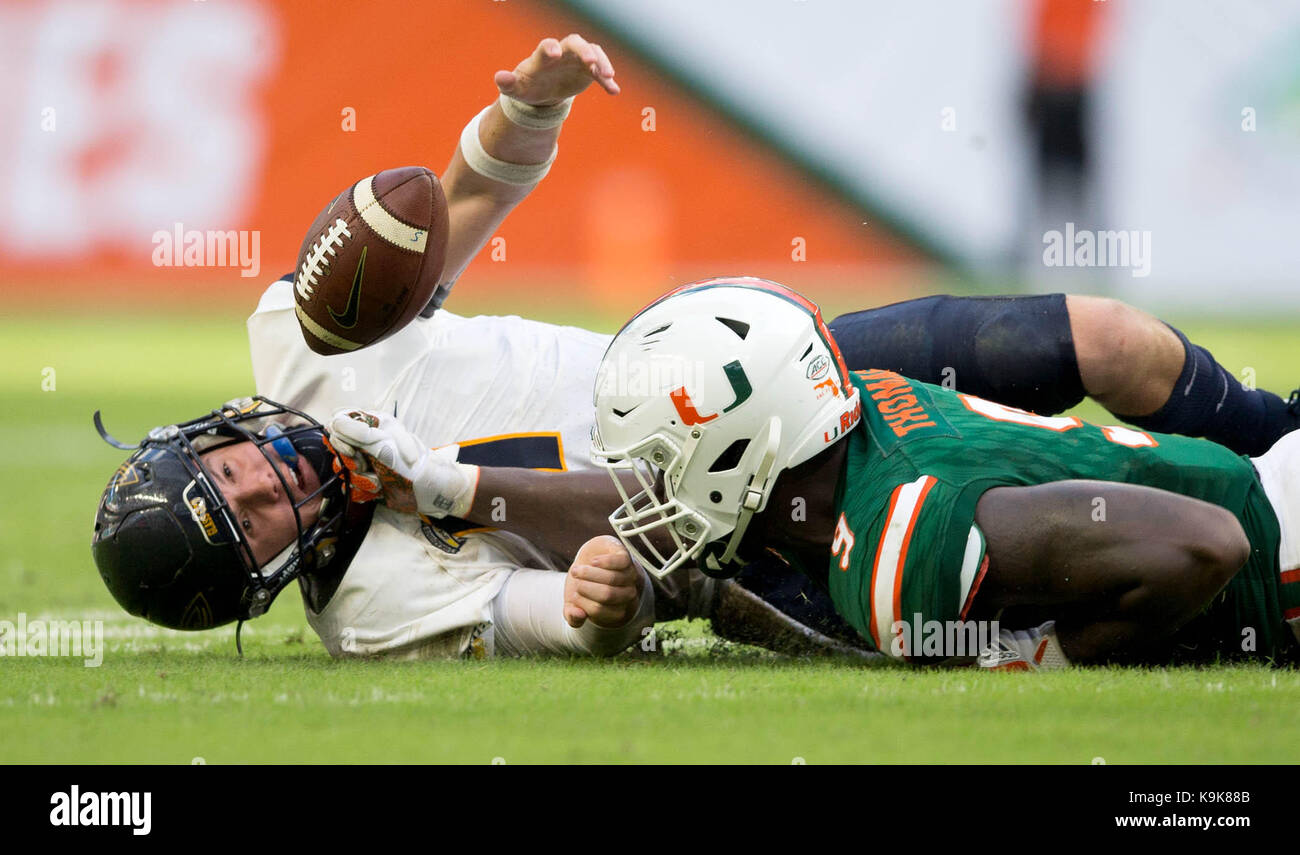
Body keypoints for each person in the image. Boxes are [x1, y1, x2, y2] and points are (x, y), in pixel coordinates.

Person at [93, 36, 1300, 662]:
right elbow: (559, 614)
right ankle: (1239, 594)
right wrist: (600, 609)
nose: (272, 481)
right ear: (258, 578)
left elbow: (445, 211)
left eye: (235, 472)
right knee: (1017, 547)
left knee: (1104, 339)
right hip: (743, 518)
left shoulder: (300, 346)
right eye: (250, 519)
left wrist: (528, 107)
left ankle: (1276, 443)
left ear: (213, 433)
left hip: (745, 374)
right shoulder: (373, 609)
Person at [588, 277, 1300, 668]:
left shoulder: (901, 547)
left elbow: (1209, 544)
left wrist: (1045, 660)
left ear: (738, 449)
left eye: (661, 464)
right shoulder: (854, 393)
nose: (653, 492)